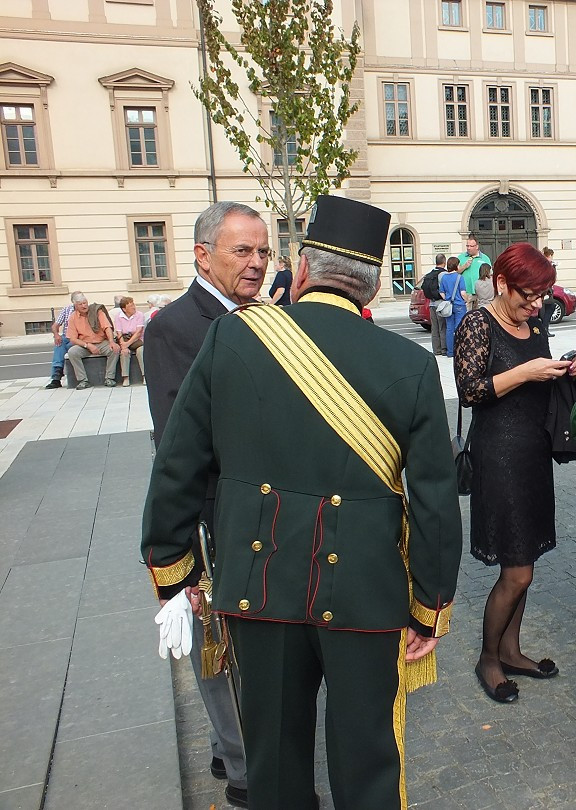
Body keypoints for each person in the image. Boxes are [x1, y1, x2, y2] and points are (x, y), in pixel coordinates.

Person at [142, 195, 461, 810]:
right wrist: (430, 604)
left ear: (303, 268)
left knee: (275, 764)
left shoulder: (232, 337)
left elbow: (178, 463)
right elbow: (435, 506)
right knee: (367, 758)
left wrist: (171, 567)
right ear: (369, 290)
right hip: (368, 593)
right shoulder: (413, 365)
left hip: (257, 586)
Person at [142, 200, 266, 808]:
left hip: (253, 510)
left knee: (247, 648)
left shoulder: (260, 317)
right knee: (218, 645)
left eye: (263, 251)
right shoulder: (174, 327)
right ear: (203, 255)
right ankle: (245, 771)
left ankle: (230, 747)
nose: (257, 263)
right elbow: (176, 440)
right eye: (242, 251)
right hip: (211, 516)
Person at [454, 242, 576, 704]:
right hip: (499, 457)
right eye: (527, 295)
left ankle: (511, 649)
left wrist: (568, 370)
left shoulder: (535, 322)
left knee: (524, 557)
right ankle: (488, 658)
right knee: (518, 571)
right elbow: (469, 390)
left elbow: (540, 382)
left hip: (532, 455)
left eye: (543, 296)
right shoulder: (477, 323)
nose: (536, 304)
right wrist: (527, 371)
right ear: (501, 283)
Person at [65, 293, 118, 389]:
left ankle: (109, 378)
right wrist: (88, 345)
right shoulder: (73, 317)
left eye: (85, 303)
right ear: (75, 306)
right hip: (85, 344)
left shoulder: (97, 312)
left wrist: (111, 341)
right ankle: (83, 380)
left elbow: (107, 327)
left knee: (114, 349)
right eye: (80, 304)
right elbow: (72, 338)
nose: (84, 306)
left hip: (101, 342)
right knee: (72, 352)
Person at [44, 292, 79, 389]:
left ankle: (60, 374)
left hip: (77, 337)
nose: (81, 304)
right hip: (65, 336)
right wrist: (56, 335)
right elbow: (55, 325)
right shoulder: (67, 309)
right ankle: (56, 377)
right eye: (78, 301)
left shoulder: (85, 310)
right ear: (73, 302)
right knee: (59, 345)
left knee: (69, 346)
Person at [113, 296, 146, 386]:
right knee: (124, 353)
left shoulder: (139, 315)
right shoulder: (118, 317)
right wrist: (123, 344)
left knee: (141, 351)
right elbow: (119, 332)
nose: (133, 307)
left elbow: (139, 332)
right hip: (124, 339)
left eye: (133, 305)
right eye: (130, 306)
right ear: (124, 309)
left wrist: (127, 344)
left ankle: (145, 375)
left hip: (138, 340)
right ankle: (126, 377)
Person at [440, 255, 468, 357]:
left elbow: (442, 293)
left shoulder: (444, 277)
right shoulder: (460, 278)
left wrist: (448, 298)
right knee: (459, 328)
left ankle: (450, 352)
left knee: (449, 328)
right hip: (459, 305)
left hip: (449, 305)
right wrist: (467, 300)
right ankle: (459, 350)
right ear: (456, 266)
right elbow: (463, 293)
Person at [424, 253, 448, 356]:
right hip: (441, 304)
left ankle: (436, 350)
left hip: (431, 304)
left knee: (434, 328)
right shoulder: (443, 274)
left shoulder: (429, 274)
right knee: (442, 327)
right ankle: (444, 349)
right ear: (444, 262)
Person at [457, 235, 492, 304]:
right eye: (467, 246)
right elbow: (455, 273)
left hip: (481, 293)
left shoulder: (485, 258)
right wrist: (464, 266)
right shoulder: (461, 257)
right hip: (467, 292)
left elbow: (490, 274)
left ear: (477, 246)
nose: (468, 248)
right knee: (468, 314)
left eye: (471, 246)